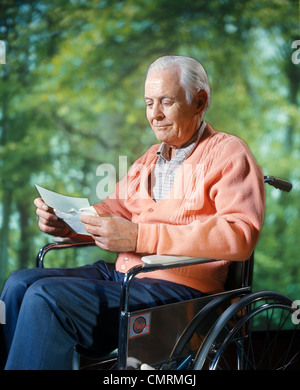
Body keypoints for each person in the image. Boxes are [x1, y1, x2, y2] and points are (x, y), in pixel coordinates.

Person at [0, 55, 265, 370]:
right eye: (149, 103)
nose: (154, 114)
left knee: (46, 296)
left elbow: (240, 234)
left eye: (166, 101)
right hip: (124, 276)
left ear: (200, 102)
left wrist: (141, 236)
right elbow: (112, 210)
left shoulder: (228, 153)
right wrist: (68, 223)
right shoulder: (149, 159)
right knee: (19, 283)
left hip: (179, 290)